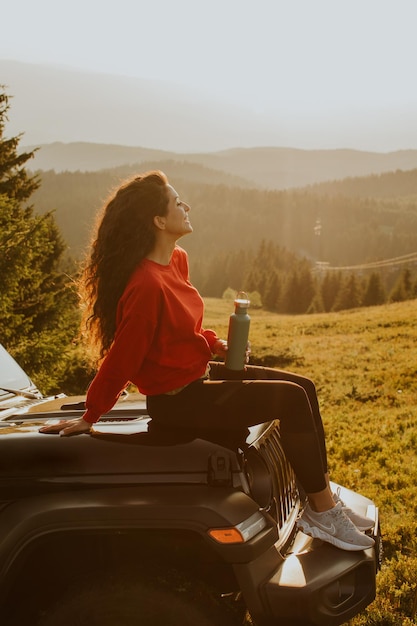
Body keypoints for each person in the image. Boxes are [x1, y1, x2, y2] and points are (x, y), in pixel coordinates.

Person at [39, 171, 374, 552]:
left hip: (199, 376)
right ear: (158, 221)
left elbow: (183, 328)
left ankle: (324, 497)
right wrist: (91, 413)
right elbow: (123, 357)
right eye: (177, 202)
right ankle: (322, 514)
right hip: (177, 401)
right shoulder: (145, 285)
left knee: (304, 388)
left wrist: (213, 343)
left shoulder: (176, 261)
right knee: (291, 401)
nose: (187, 207)